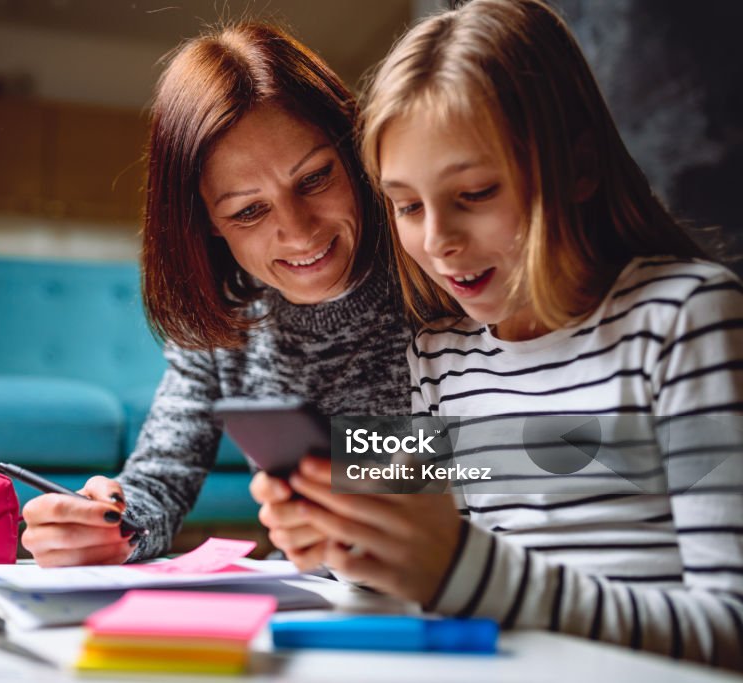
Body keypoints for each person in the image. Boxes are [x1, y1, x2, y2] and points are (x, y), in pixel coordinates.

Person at [255, 0, 743, 670]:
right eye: (406, 205)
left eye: (476, 192)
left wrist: (470, 569)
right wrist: (341, 537)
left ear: (578, 168)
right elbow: (405, 581)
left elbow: (730, 623)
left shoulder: (685, 319)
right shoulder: (438, 353)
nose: (438, 241)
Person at [20, 22, 412, 567]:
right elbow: (159, 483)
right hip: (321, 605)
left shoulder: (439, 264)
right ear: (206, 223)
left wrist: (345, 474)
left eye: (315, 178)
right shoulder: (225, 316)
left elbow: (523, 454)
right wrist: (107, 525)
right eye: (249, 211)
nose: (299, 232)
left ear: (355, 150)